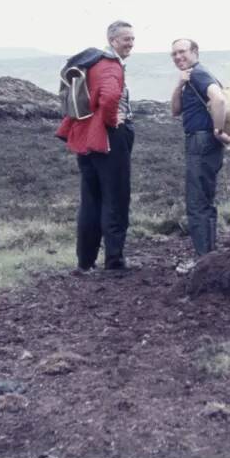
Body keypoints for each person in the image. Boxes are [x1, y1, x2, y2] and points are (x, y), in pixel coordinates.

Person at [55, 20, 136, 274]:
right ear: (113, 41)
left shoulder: (89, 62)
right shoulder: (110, 66)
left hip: (85, 138)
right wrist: (113, 120)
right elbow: (111, 97)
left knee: (91, 200)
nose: (131, 44)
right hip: (108, 137)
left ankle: (85, 262)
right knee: (116, 198)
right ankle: (114, 261)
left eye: (132, 39)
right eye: (126, 39)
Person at [170, 38, 230, 271]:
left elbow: (218, 99)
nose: (178, 57)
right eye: (174, 54)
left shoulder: (198, 74)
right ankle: (208, 256)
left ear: (195, 52)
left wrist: (218, 131)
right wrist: (179, 85)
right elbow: (175, 111)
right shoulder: (190, 77)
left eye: (182, 52)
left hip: (201, 140)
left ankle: (203, 260)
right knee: (204, 198)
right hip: (201, 141)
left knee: (197, 202)